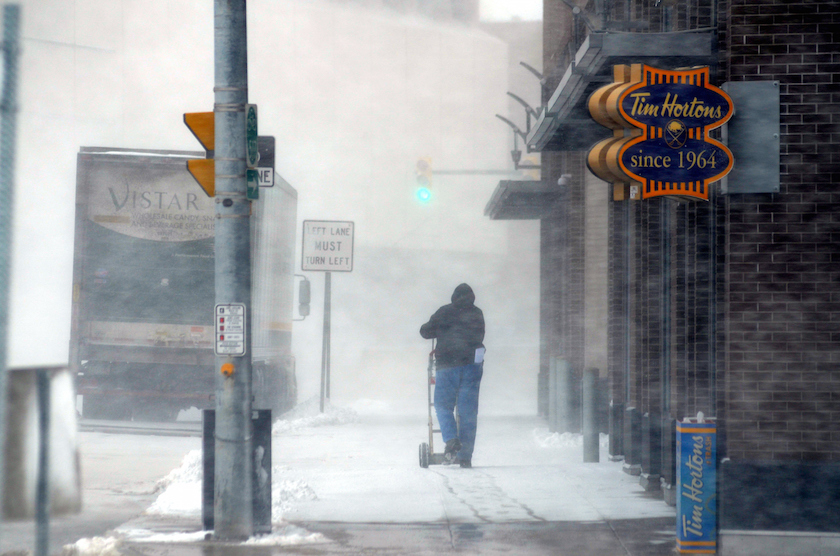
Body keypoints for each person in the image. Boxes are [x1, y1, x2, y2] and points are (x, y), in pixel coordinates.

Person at [420, 283, 485, 468]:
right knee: (468, 412)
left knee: (442, 404)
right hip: (472, 366)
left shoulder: (444, 312)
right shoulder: (477, 313)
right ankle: (465, 457)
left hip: (447, 366)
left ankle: (450, 439)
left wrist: (440, 330)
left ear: (453, 297)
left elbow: (425, 331)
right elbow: (480, 335)